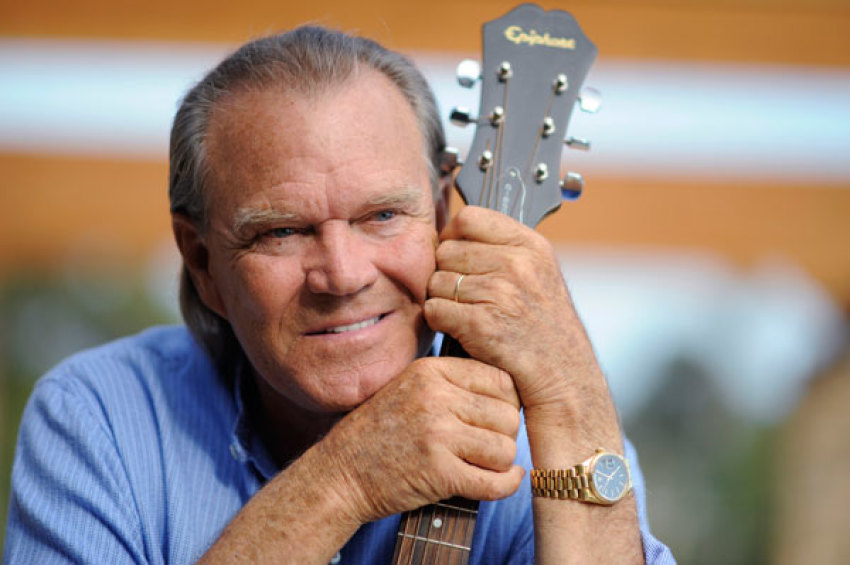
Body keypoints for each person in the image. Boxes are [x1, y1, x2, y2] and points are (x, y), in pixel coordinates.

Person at [4, 26, 675, 564]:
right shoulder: (97, 418)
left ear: (444, 216)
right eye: (284, 230)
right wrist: (345, 478)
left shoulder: (548, 443)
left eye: (382, 216)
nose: (343, 274)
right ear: (202, 261)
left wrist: (570, 393)